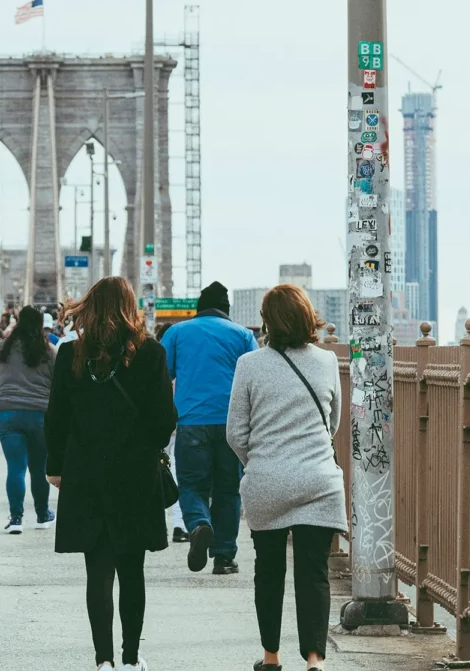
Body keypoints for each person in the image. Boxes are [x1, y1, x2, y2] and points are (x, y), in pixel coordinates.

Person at [45, 277, 177, 671]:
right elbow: (164, 419)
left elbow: (56, 418)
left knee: (97, 569)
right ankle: (132, 659)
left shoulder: (70, 353)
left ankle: (103, 661)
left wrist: (55, 466)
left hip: (85, 473)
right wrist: (149, 447)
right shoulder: (150, 353)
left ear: (90, 307)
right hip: (134, 475)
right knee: (131, 569)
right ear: (129, 306)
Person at [227, 285, 346, 671]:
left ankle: (271, 658)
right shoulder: (327, 361)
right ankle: (315, 661)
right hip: (318, 482)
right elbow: (334, 423)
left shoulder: (249, 364)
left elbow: (235, 433)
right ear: (307, 318)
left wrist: (261, 461)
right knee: (314, 572)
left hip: (267, 483)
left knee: (269, 570)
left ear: (267, 322)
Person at [160, 280, 257, 575]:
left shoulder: (177, 332)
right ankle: (224, 557)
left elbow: (161, 374)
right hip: (231, 424)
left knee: (191, 485)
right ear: (226, 309)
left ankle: (199, 524)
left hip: (191, 422)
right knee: (228, 490)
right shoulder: (242, 335)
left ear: (199, 308)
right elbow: (255, 377)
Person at [0, 306, 56, 534]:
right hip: (40, 414)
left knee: (15, 467)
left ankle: (16, 519)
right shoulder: (49, 350)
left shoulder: (2, 348)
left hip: (8, 413)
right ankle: (43, 515)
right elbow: (59, 385)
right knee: (39, 468)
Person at [154, 322, 187, 543]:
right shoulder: (183, 362)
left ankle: (158, 523)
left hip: (156, 427)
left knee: (156, 475)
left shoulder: (153, 361)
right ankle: (179, 525)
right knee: (175, 474)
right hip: (180, 423)